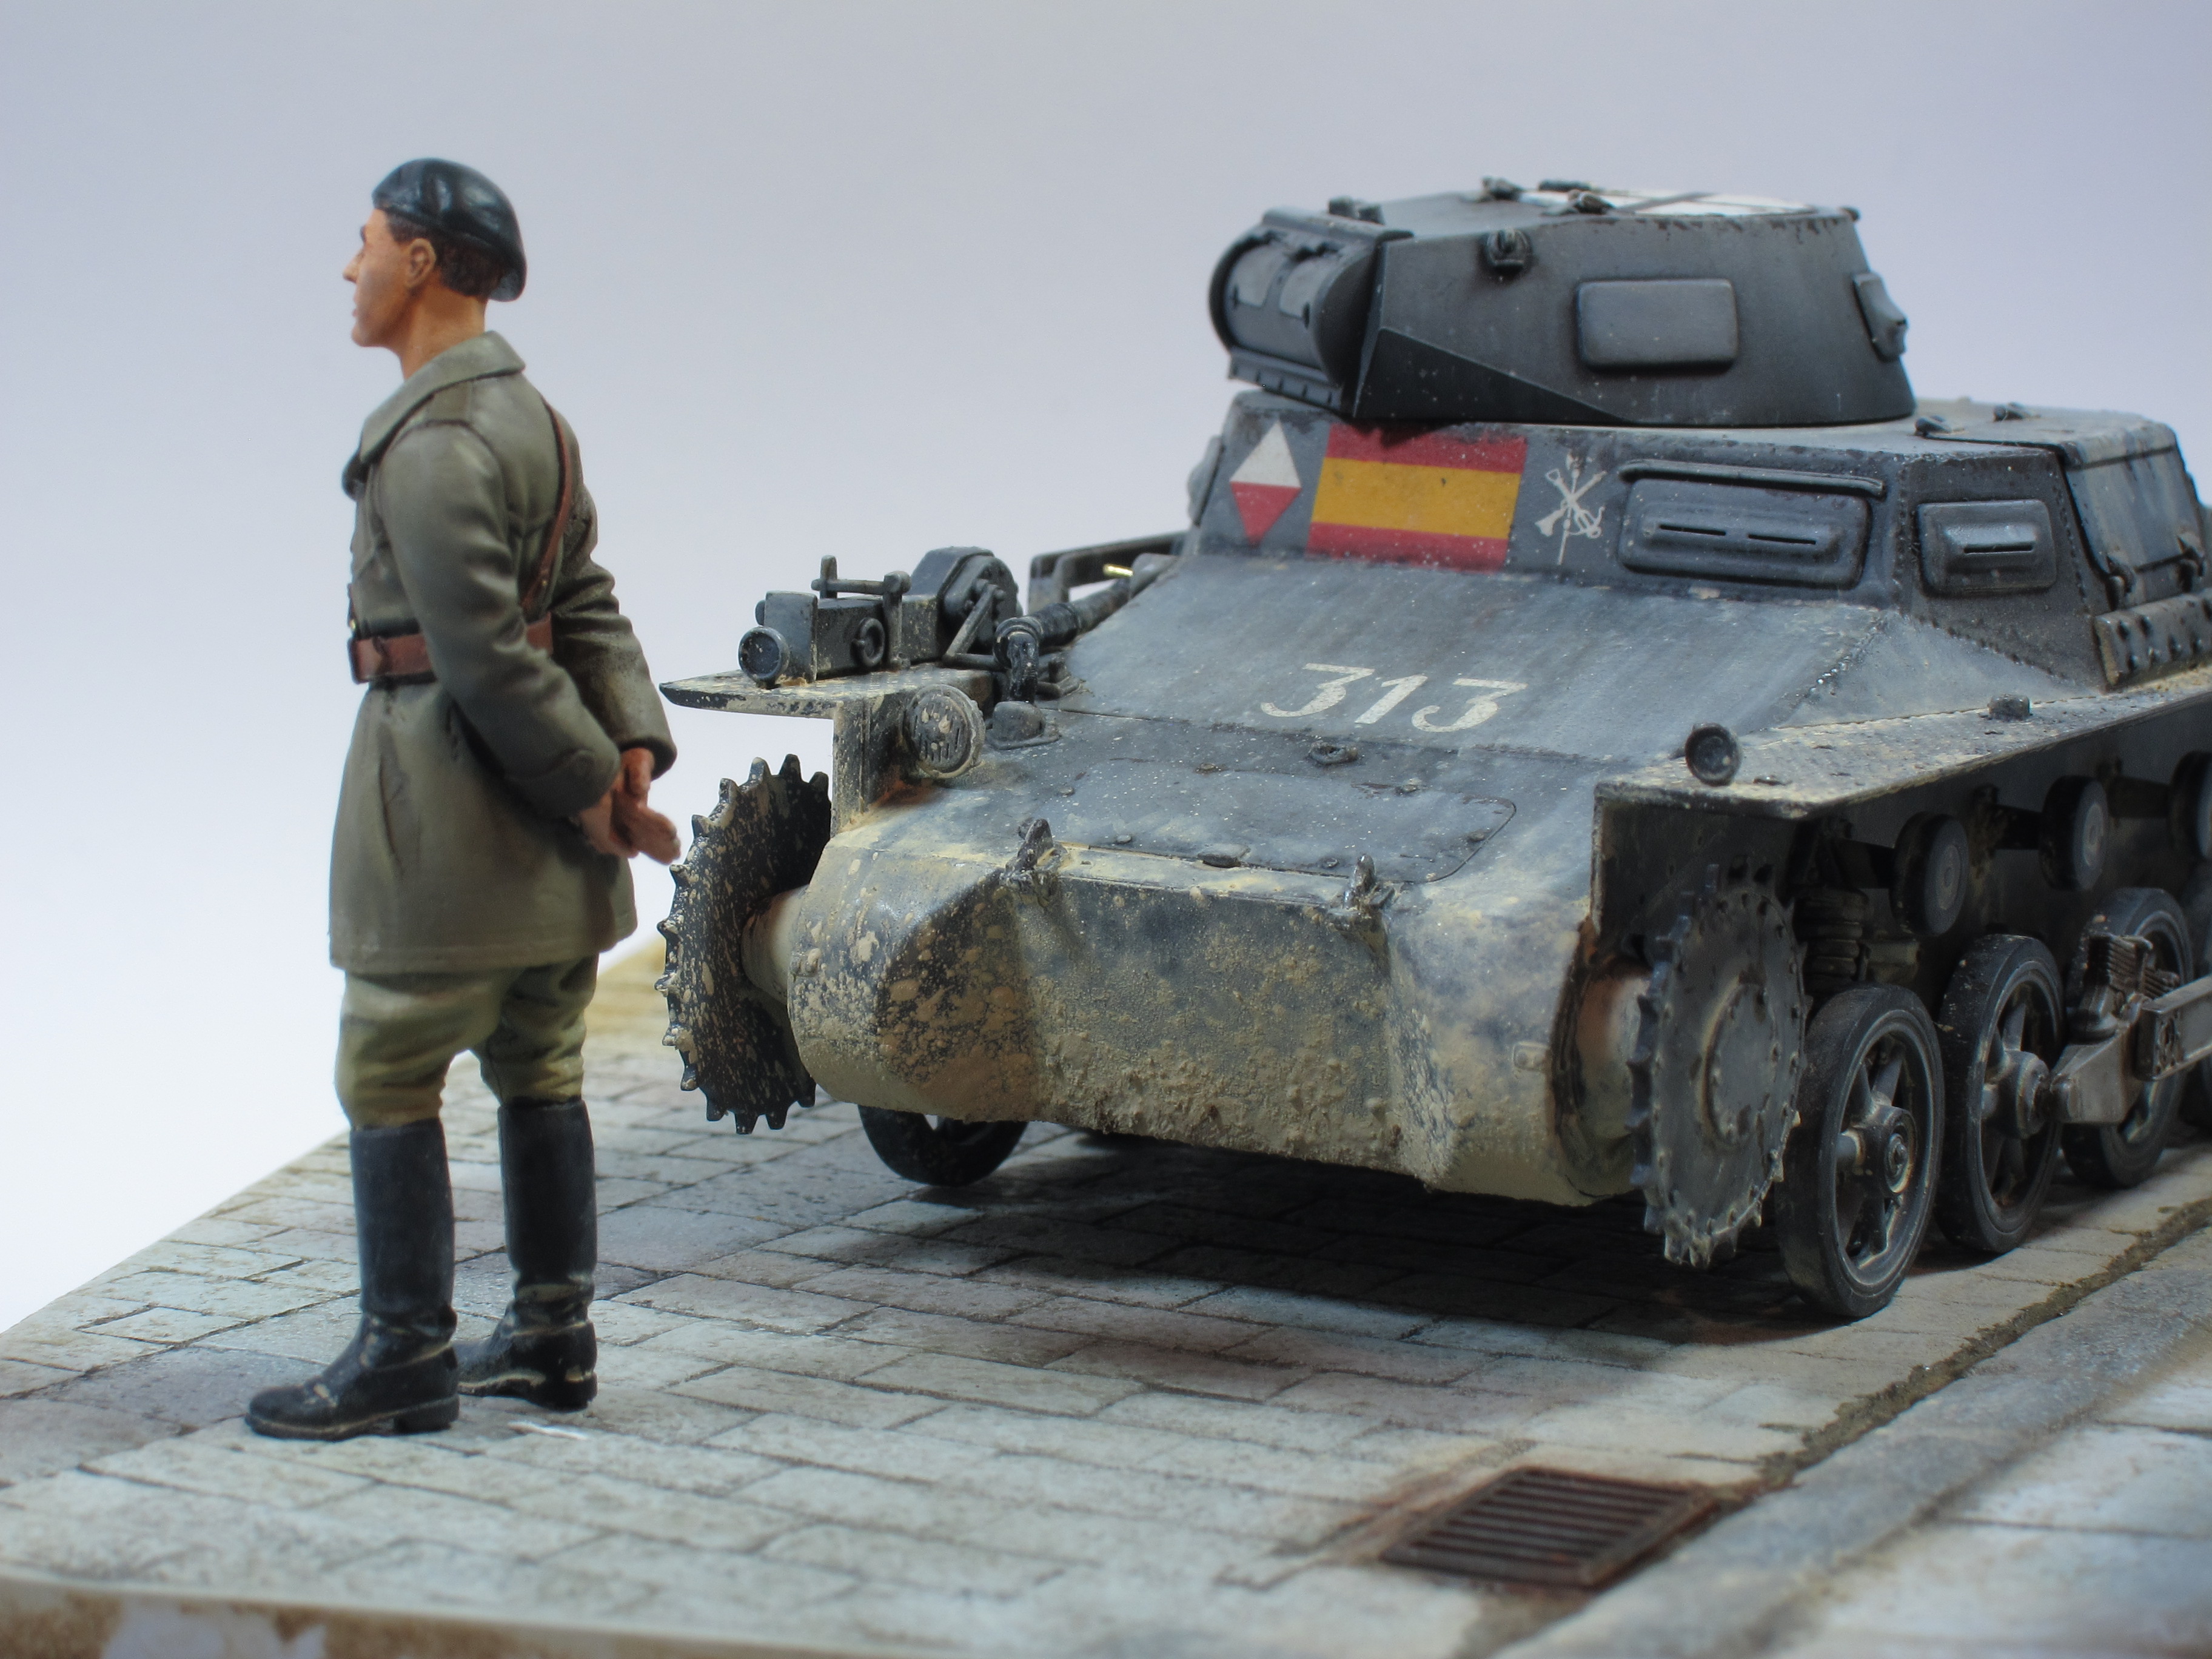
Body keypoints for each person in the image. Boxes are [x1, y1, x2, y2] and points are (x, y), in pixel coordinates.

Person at [247, 159, 680, 1441]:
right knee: (541, 1062)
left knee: (388, 1059)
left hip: (451, 808)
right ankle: (552, 1330)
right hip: (551, 834)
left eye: (370, 241)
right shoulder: (534, 419)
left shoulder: (433, 443)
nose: (353, 266)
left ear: (423, 262)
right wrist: (626, 741)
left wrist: (600, 783)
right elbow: (586, 605)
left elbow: (486, 657)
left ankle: (405, 1350)